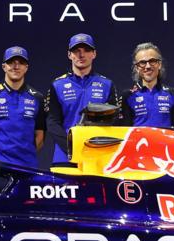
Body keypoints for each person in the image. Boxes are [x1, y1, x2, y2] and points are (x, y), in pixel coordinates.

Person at [45, 33, 121, 162]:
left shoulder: (107, 84)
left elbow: (115, 120)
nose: (81, 55)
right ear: (69, 55)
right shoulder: (57, 85)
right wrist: (71, 146)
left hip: (97, 154)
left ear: (94, 54)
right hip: (65, 156)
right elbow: (52, 123)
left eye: (86, 50)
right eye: (76, 51)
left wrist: (96, 143)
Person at [0, 46, 46, 167]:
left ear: (26, 68)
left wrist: (27, 156)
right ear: (4, 66)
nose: (16, 66)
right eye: (11, 62)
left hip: (28, 166)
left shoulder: (37, 98)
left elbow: (40, 135)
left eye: (21, 62)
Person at [123, 42, 174, 128]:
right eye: (142, 62)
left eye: (152, 61)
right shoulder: (127, 96)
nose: (148, 66)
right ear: (137, 68)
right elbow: (124, 131)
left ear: (159, 64)